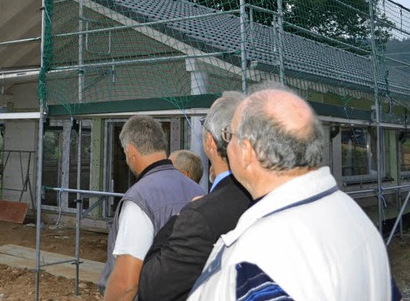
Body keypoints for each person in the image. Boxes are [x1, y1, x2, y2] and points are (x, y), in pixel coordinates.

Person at [188, 87, 396, 300]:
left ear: (247, 152)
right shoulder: (354, 216)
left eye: (228, 135)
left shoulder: (261, 254)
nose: (227, 144)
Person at [138, 92, 252, 301]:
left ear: (209, 141)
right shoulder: (270, 196)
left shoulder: (199, 216)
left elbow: (151, 289)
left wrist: (180, 217)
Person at [98, 115, 205, 300]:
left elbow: (126, 285)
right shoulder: (198, 191)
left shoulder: (139, 198)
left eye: (124, 153)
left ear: (130, 151)